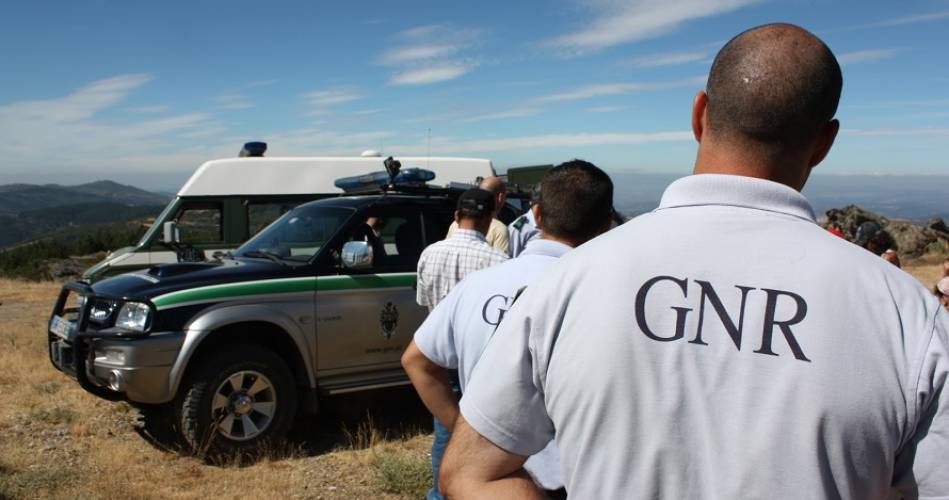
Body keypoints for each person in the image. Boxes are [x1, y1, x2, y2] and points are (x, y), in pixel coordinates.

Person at [441, 23, 949, 499]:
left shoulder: (569, 281)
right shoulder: (908, 317)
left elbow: (469, 473)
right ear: (824, 143)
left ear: (699, 114)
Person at [402, 160, 614, 498]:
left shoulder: (476, 285)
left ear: (537, 215)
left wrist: (465, 436)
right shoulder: (607, 294)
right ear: (605, 227)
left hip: (485, 481)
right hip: (570, 480)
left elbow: (416, 360)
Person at [415, 187, 508, 500]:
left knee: (445, 431)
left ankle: (440, 493)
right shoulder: (499, 260)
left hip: (439, 356)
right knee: (485, 436)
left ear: (456, 216)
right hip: (480, 360)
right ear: (490, 219)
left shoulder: (430, 253)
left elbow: (424, 303)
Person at [446, 176, 510, 255]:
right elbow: (502, 262)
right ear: (500, 197)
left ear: (456, 216)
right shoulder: (500, 230)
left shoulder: (455, 224)